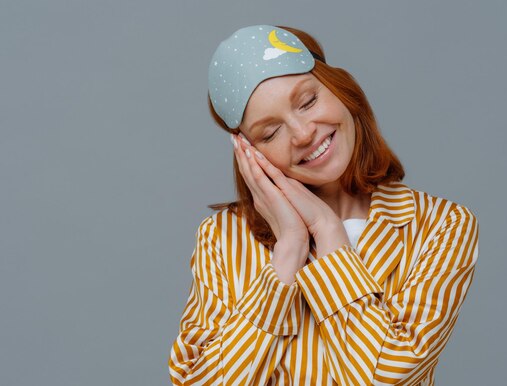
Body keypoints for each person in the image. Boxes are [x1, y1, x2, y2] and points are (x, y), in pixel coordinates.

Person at [168, 24, 479, 386]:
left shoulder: (440, 225)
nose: (303, 134)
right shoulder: (223, 238)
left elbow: (387, 377)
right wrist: (288, 253)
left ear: (339, 88)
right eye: (270, 133)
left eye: (308, 101)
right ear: (250, 154)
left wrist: (328, 232)